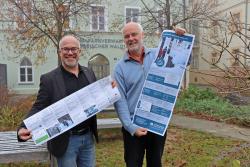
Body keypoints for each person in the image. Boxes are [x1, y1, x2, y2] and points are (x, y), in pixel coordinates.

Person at [17, 35, 104, 167]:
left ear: (79, 51)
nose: (70, 53)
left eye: (74, 49)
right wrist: (23, 126)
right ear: (59, 52)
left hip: (87, 138)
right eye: (66, 49)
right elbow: (39, 106)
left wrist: (110, 88)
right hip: (65, 141)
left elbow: (96, 97)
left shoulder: (89, 73)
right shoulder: (49, 79)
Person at [114, 22, 186, 167]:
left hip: (157, 124)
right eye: (126, 36)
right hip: (133, 127)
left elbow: (182, 60)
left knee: (155, 163)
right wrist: (130, 127)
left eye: (134, 34)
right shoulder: (119, 68)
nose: (130, 38)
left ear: (142, 35)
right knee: (133, 164)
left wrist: (181, 39)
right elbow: (120, 101)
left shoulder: (158, 55)